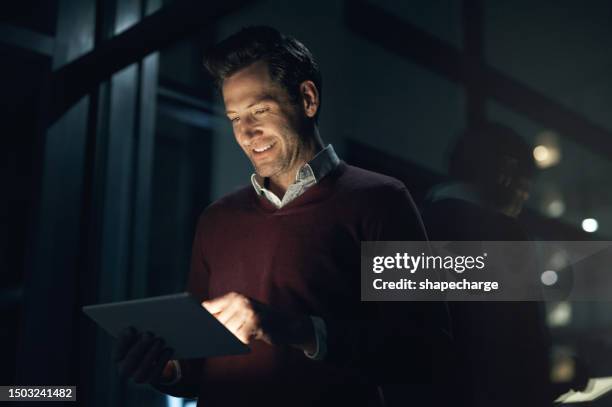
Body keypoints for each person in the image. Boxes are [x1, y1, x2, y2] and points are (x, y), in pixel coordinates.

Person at [113, 26, 450, 407]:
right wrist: (165, 369)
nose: (246, 132)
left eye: (260, 110)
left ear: (307, 99)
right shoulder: (216, 220)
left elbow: (426, 351)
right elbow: (194, 369)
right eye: (235, 117)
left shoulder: (383, 200)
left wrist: (296, 329)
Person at [421, 122, 555, 406]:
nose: (526, 193)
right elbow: (525, 346)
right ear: (505, 172)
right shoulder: (504, 233)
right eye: (525, 179)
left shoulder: (410, 224)